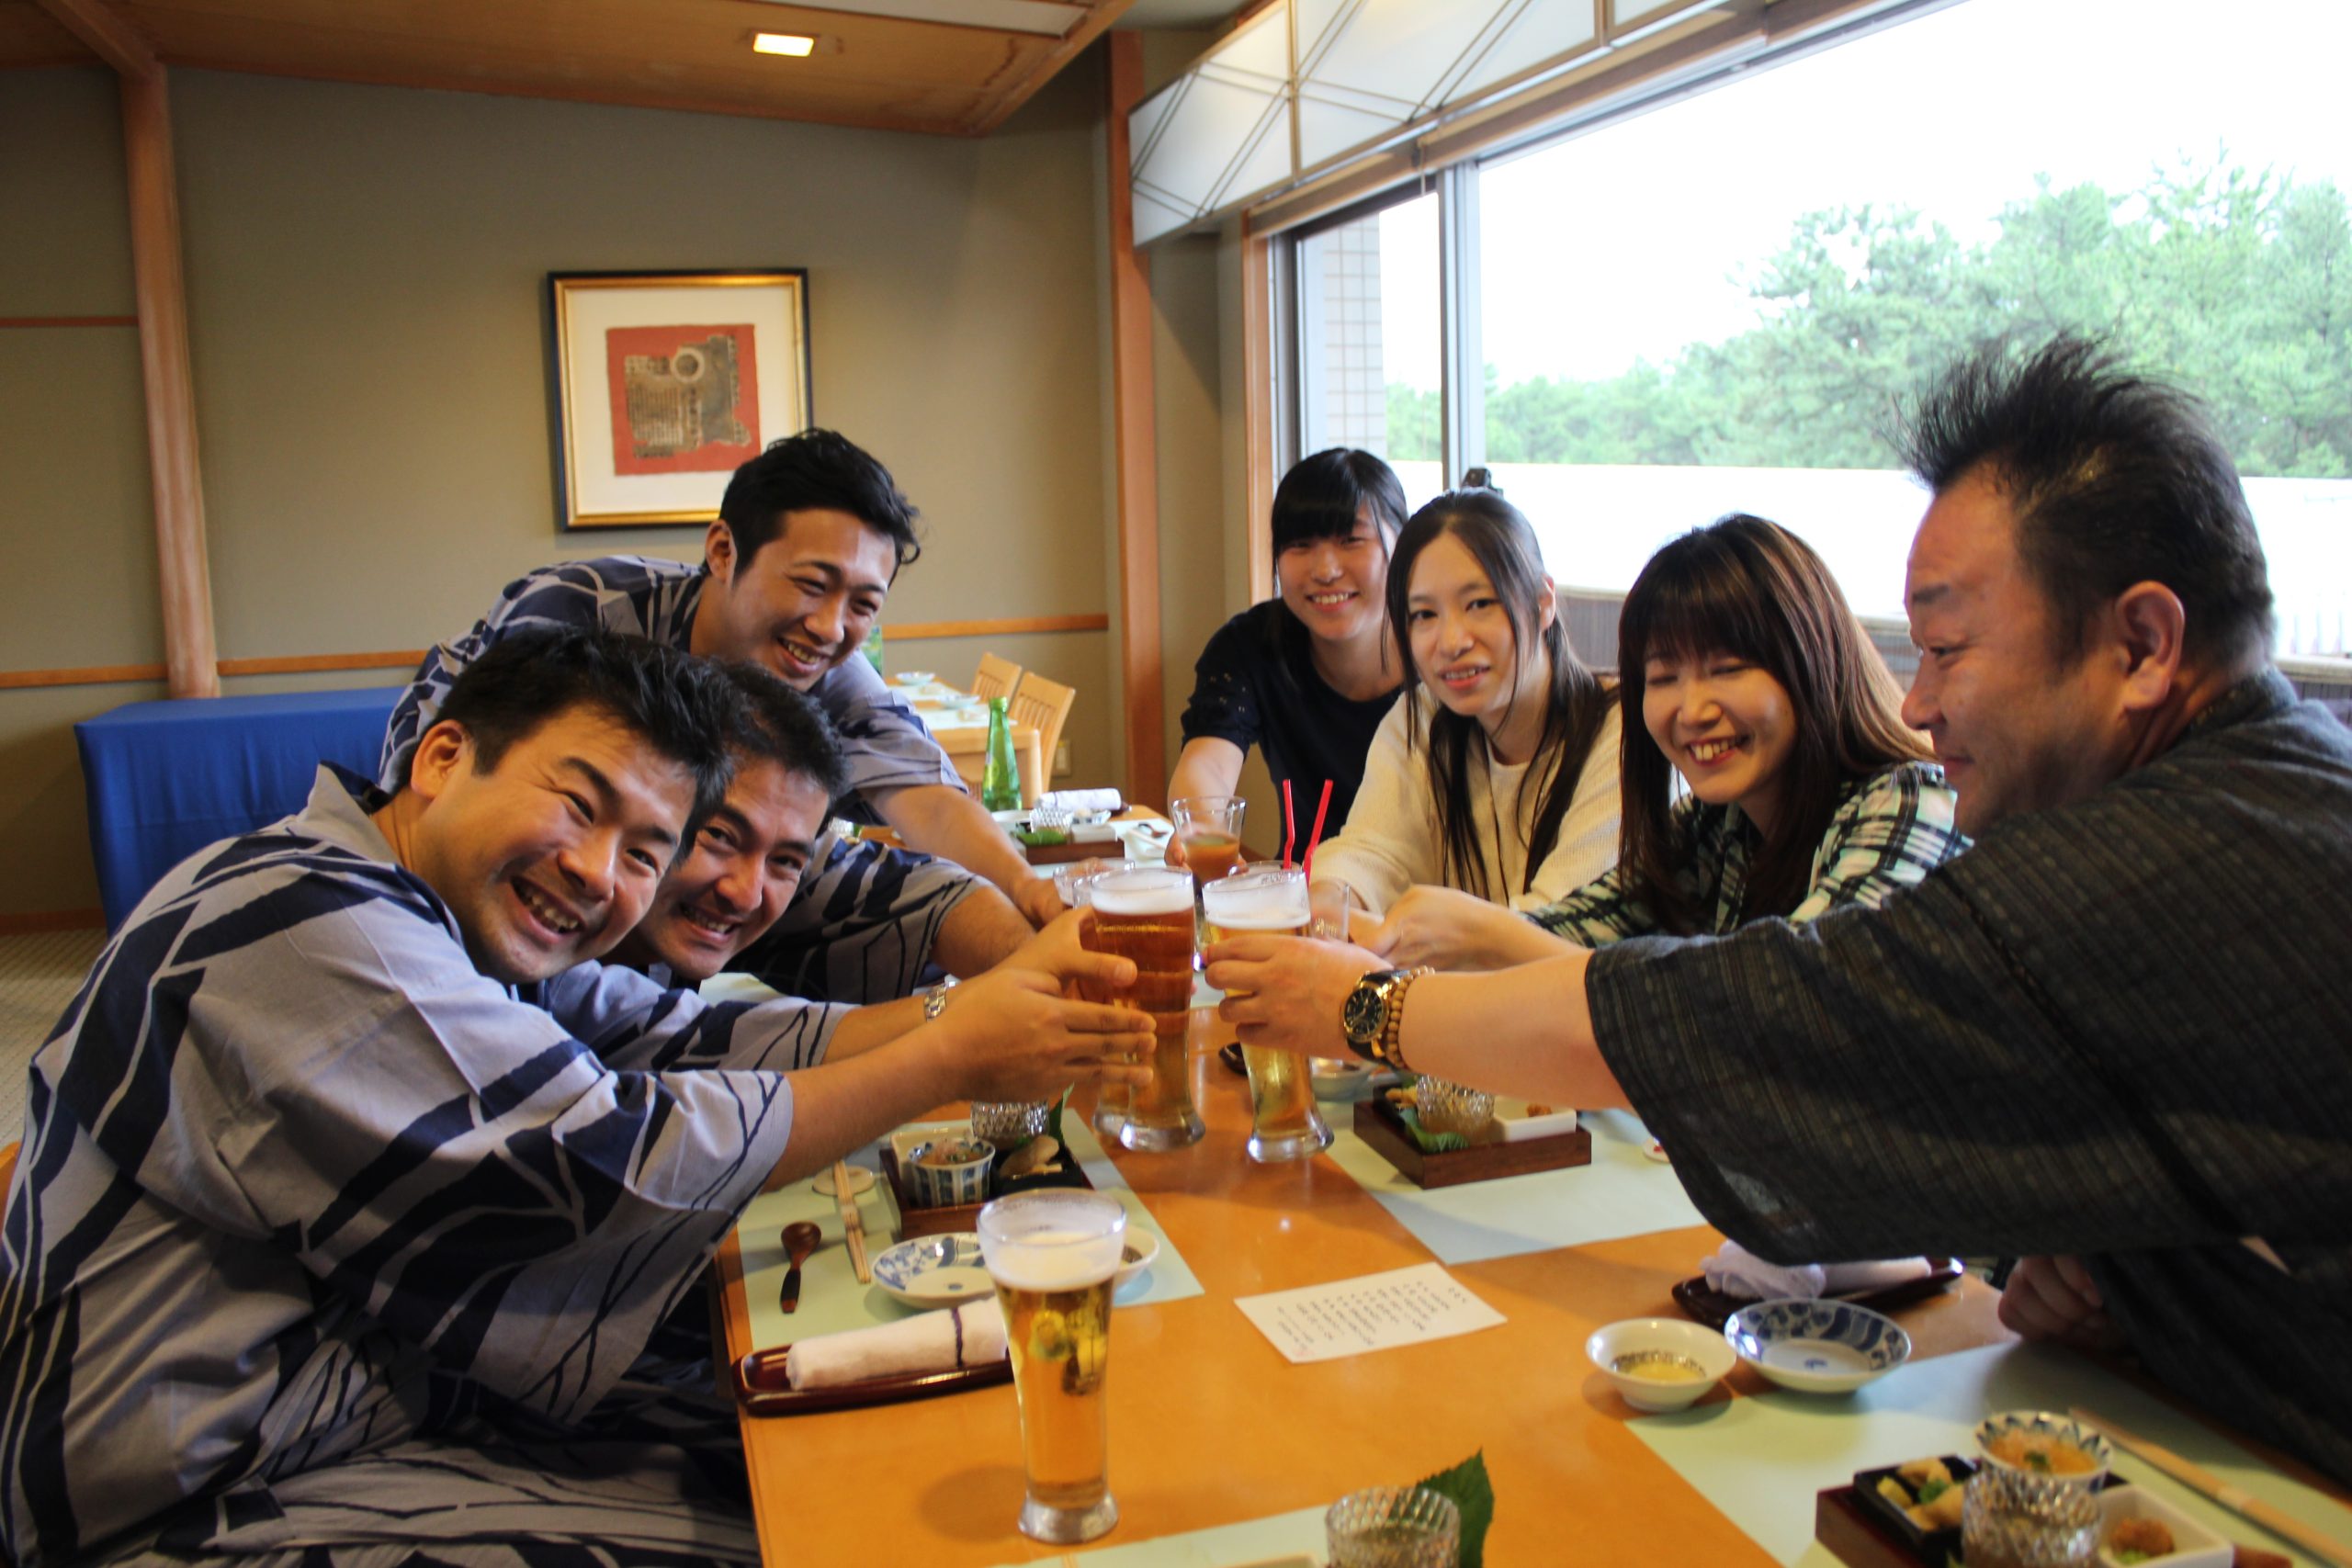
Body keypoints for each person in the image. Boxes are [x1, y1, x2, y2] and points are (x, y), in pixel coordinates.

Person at [1205, 335, 2352, 1486]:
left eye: (1948, 648)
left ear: (2142, 646)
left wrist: (1368, 1009)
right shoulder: (2266, 794)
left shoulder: (2154, 861)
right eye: (1663, 674)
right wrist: (2140, 1282)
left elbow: (1769, 1016)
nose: (1919, 699)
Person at [0, 628, 1151, 1566]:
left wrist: (981, 1006)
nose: (602, 872)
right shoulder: (306, 922)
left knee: (847, 1443)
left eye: (646, 849)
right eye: (580, 805)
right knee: (818, 1525)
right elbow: (599, 1155)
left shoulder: (437, 917)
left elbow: (691, 1040)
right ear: (443, 757)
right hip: (192, 1498)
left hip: (361, 1400)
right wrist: (950, 1057)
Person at [379, 427, 1062, 1000]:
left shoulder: (831, 673)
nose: (830, 627)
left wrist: (1028, 890)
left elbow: (932, 803)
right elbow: (453, 794)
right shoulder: (587, 613)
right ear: (722, 551)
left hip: (666, 920)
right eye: (812, 584)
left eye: (863, 604)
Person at [1366, 513, 1964, 969]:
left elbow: (1791, 995)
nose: (1693, 710)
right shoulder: (1717, 825)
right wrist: (1436, 935)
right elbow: (1582, 925)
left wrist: (1488, 933)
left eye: (1728, 669)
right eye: (1664, 678)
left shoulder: (1910, 802)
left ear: (1813, 658)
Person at [605, 661, 1035, 1000]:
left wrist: (1044, 953)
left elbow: (926, 896)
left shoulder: (781, 879)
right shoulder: (572, 980)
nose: (747, 894)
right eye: (720, 837)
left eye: (786, 860)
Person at [1306, 486, 1622, 920]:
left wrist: (1410, 935)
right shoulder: (1423, 717)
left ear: (1543, 602)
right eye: (1424, 615)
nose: (1452, 642)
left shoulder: (1620, 733)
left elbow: (1560, 922)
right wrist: (1329, 902)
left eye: (1479, 604)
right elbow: (1372, 851)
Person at [1167, 449, 1408, 838]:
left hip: (1430, 877)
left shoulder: (1439, 648)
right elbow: (1208, 763)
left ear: (1404, 545)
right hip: (1306, 875)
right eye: (1300, 544)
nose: (1326, 570)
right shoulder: (1252, 645)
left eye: (1351, 540)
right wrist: (1203, 833)